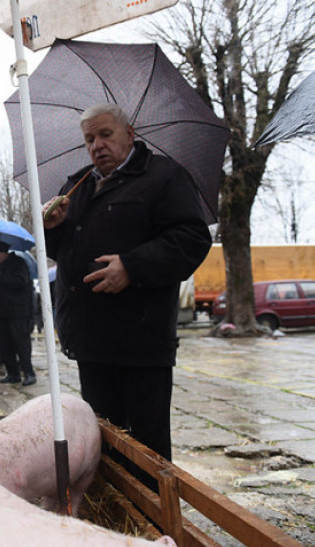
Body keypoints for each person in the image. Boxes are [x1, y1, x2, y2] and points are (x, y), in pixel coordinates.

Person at [42, 102, 211, 488]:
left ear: (130, 134)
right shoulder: (77, 185)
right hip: (90, 341)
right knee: (104, 441)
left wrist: (132, 268)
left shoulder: (164, 177)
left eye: (105, 135)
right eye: (89, 139)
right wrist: (52, 228)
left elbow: (191, 239)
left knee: (147, 448)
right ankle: (117, 519)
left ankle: (155, 529)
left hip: (140, 342)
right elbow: (64, 251)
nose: (97, 145)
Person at [0, 242, 36, 386]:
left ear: (5, 252)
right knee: (5, 344)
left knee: (21, 342)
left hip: (17, 311)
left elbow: (21, 282)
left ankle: (28, 373)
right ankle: (12, 373)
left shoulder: (18, 263)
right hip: (2, 311)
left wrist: (1, 277)